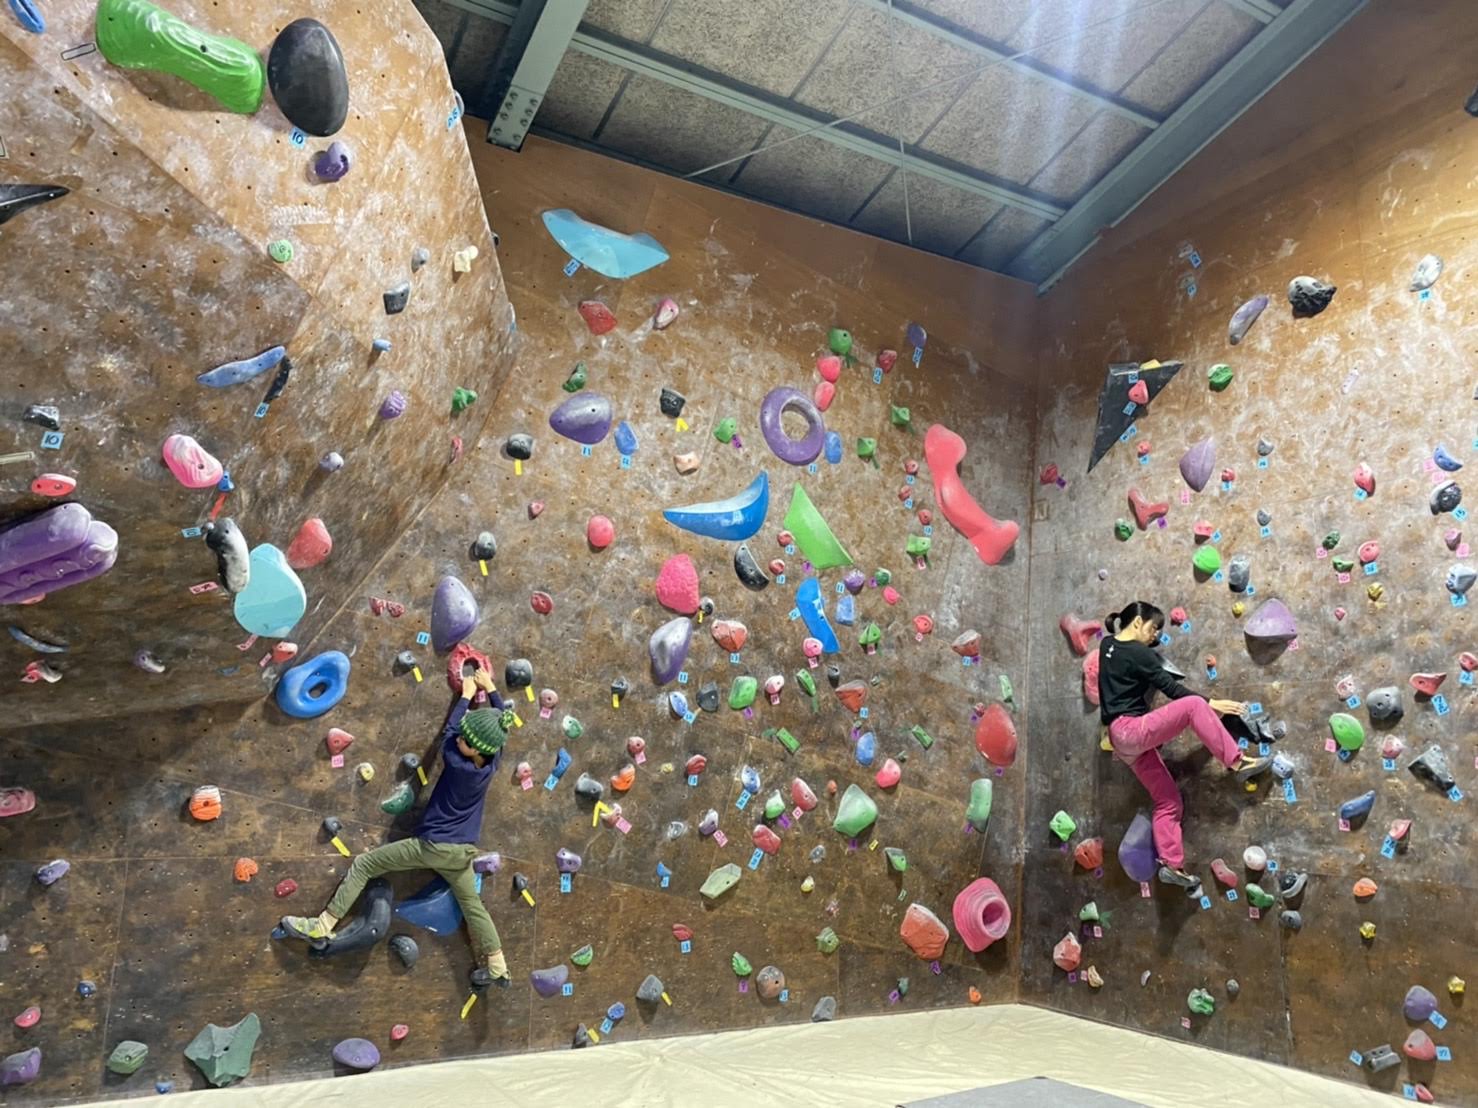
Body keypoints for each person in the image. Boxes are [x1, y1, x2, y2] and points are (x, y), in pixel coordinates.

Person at [281, 667, 511, 986]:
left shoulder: (458, 764)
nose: (459, 740)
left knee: (365, 864)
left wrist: (467, 696)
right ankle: (498, 965)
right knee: (473, 906)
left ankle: (323, 925)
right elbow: (501, 730)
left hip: (433, 846)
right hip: (462, 853)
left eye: (465, 741)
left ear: (475, 750)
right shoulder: (491, 762)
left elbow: (449, 731)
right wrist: (492, 690)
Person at [1098, 601, 1272, 889]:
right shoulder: (1140, 653)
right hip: (1131, 730)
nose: (1155, 636)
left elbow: (1128, 671)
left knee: (1168, 801)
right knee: (1193, 706)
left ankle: (1172, 865)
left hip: (1123, 743)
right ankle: (1238, 762)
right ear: (1138, 622)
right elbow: (1172, 689)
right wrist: (1211, 703)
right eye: (1154, 628)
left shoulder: (1107, 645)